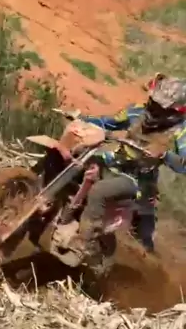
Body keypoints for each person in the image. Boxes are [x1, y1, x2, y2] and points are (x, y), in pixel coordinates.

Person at [73, 73, 186, 254]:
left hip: (136, 179)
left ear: (175, 111)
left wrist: (165, 154)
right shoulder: (137, 111)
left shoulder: (181, 132)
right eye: (154, 102)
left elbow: (183, 165)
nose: (154, 109)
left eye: (161, 107)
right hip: (112, 161)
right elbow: (109, 122)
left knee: (99, 191)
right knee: (76, 157)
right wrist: (82, 120)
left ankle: (85, 241)